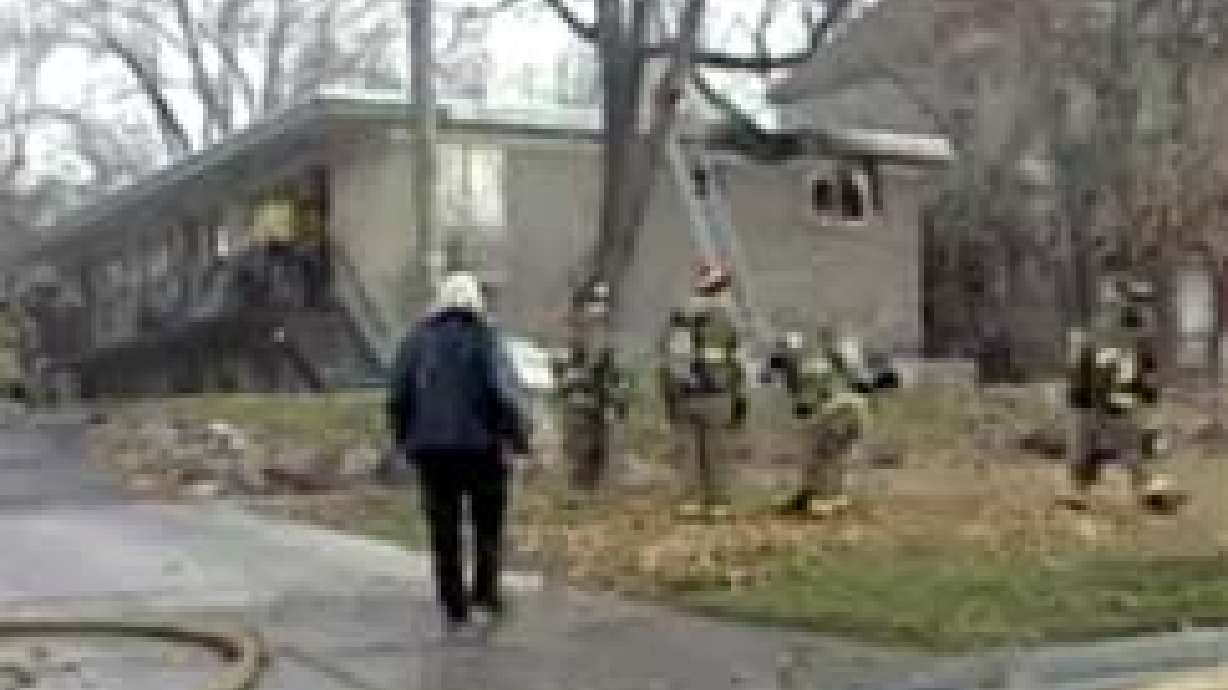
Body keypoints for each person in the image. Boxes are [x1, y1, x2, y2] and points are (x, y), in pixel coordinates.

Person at [387, 271, 532, 633]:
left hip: (431, 450)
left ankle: (453, 601)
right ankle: (485, 592)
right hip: (482, 448)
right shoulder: (486, 338)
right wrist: (517, 438)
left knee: (443, 527)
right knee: (487, 523)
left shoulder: (415, 340)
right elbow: (503, 392)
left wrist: (404, 439)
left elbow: (398, 395)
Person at [1063, 275, 1185, 512]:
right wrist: (1148, 394)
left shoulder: (1113, 328)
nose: (1143, 308)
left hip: (1100, 399)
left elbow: (1143, 369)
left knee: (1107, 449)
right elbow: (1138, 371)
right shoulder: (1121, 330)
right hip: (1105, 399)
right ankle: (1145, 490)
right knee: (1114, 449)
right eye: (1138, 301)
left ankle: (1144, 490)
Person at [763, 324, 898, 517]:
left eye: (781, 361)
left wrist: (802, 407)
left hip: (841, 411)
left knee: (823, 454)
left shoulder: (807, 370)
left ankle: (824, 499)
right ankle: (822, 495)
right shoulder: (815, 364)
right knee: (829, 455)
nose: (780, 367)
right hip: (853, 411)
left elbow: (806, 405)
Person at [658, 261, 746, 521]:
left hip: (684, 395)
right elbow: (738, 362)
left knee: (688, 451)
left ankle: (689, 504)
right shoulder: (728, 318)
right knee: (716, 451)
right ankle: (718, 505)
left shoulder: (680, 316)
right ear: (720, 288)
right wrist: (740, 399)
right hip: (718, 395)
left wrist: (669, 396)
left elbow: (668, 359)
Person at [553, 283, 629, 492]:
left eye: (603, 301)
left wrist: (617, 397)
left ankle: (594, 490)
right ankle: (578, 492)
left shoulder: (608, 334)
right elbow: (560, 367)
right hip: (579, 400)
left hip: (601, 401)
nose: (599, 307)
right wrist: (574, 383)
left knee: (600, 449)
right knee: (579, 449)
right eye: (595, 300)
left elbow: (615, 370)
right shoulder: (571, 332)